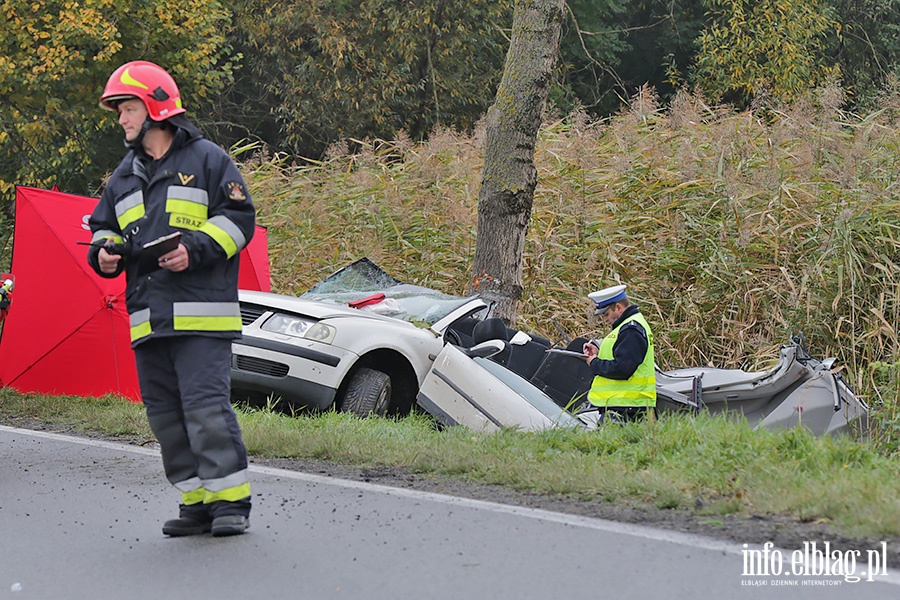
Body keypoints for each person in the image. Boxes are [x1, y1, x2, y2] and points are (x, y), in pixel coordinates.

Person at [87, 61, 255, 537]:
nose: (121, 118)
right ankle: (196, 501)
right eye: (119, 109)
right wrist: (104, 254)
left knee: (204, 409)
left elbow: (238, 220)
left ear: (157, 106)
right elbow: (103, 229)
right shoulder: (122, 177)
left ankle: (230, 503)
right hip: (148, 319)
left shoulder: (207, 160)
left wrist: (193, 249)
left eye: (128, 107)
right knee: (166, 418)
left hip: (202, 320)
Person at [582, 284, 656, 422]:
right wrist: (598, 354)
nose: (605, 320)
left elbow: (623, 368)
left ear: (618, 307)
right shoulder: (627, 326)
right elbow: (622, 357)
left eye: (606, 314)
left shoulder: (631, 330)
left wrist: (595, 363)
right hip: (625, 406)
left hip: (626, 409)